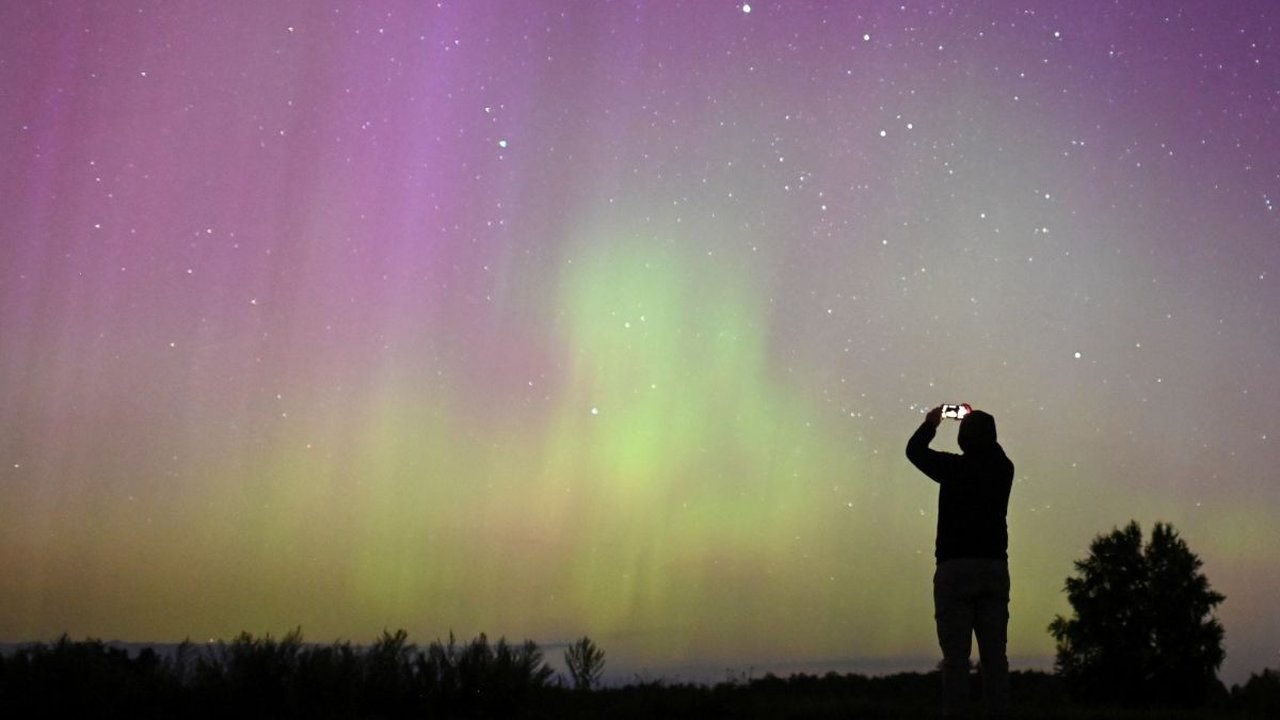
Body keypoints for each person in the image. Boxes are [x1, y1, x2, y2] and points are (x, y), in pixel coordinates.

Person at [906, 405, 1014, 718]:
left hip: (955, 569)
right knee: (995, 658)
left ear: (964, 439)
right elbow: (993, 450)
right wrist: (976, 417)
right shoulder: (1004, 469)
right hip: (993, 567)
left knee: (956, 660)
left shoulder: (952, 468)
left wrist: (933, 421)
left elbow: (914, 451)